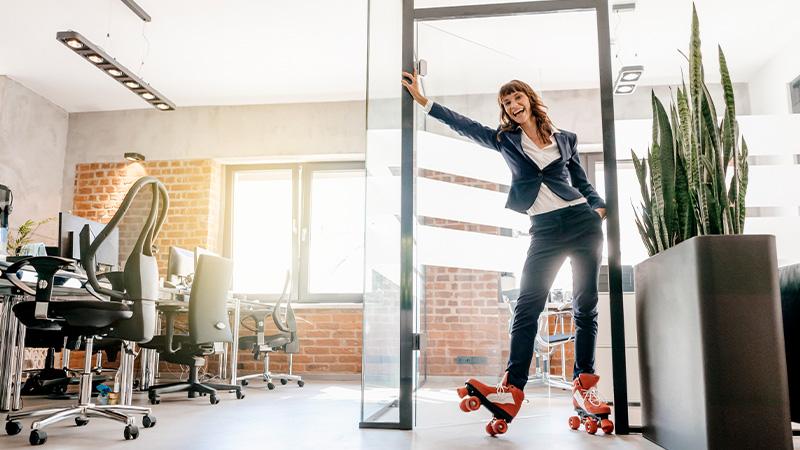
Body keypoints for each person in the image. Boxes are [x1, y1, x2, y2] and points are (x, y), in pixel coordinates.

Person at [402, 70, 614, 435]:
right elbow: (465, 125)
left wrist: (598, 208)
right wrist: (426, 103)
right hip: (544, 230)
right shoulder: (505, 140)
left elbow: (580, 181)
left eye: (517, 98)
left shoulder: (565, 139)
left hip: (582, 224)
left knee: (586, 305)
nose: (513, 105)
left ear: (530, 99)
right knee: (528, 305)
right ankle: (513, 386)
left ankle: (583, 385)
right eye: (506, 102)